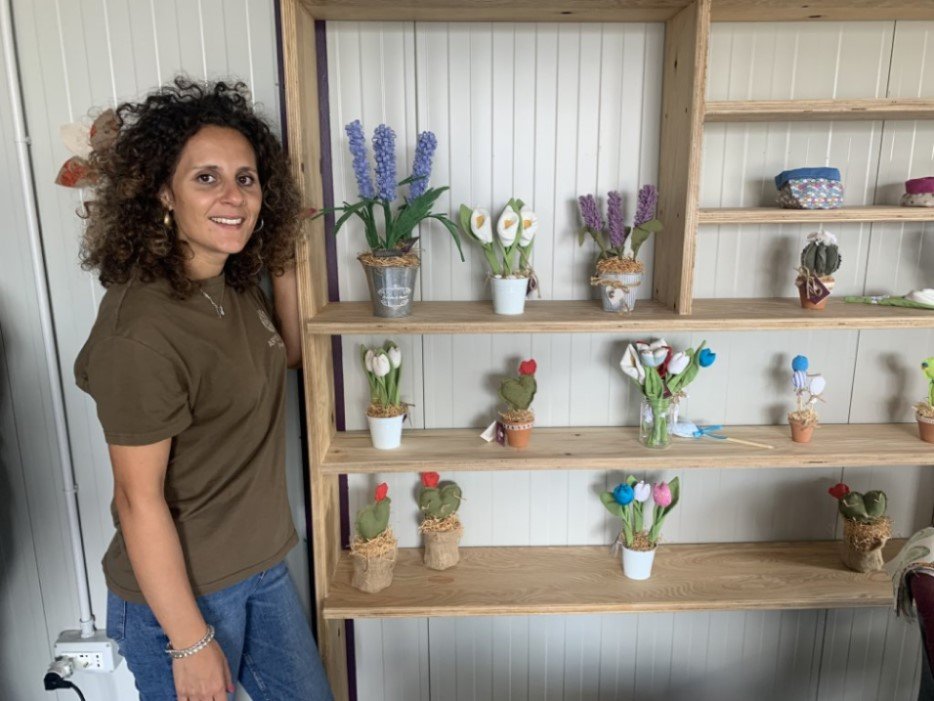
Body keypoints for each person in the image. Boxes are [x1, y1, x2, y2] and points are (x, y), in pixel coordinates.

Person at [74, 77, 332, 701]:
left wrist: (284, 262)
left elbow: (287, 354)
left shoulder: (231, 282)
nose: (234, 196)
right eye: (206, 178)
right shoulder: (140, 331)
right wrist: (190, 642)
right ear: (163, 193)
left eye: (246, 178)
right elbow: (139, 502)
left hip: (262, 569)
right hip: (182, 597)